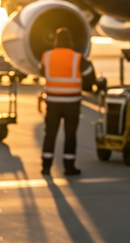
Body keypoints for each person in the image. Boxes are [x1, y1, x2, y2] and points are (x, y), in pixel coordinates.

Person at [39, 27, 94, 176]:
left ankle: (46, 167)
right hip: (72, 102)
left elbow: (41, 72)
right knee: (70, 135)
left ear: (56, 40)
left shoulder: (47, 56)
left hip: (53, 102)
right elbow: (89, 73)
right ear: (69, 40)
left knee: (49, 134)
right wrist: (90, 85)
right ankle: (69, 167)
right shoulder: (76, 57)